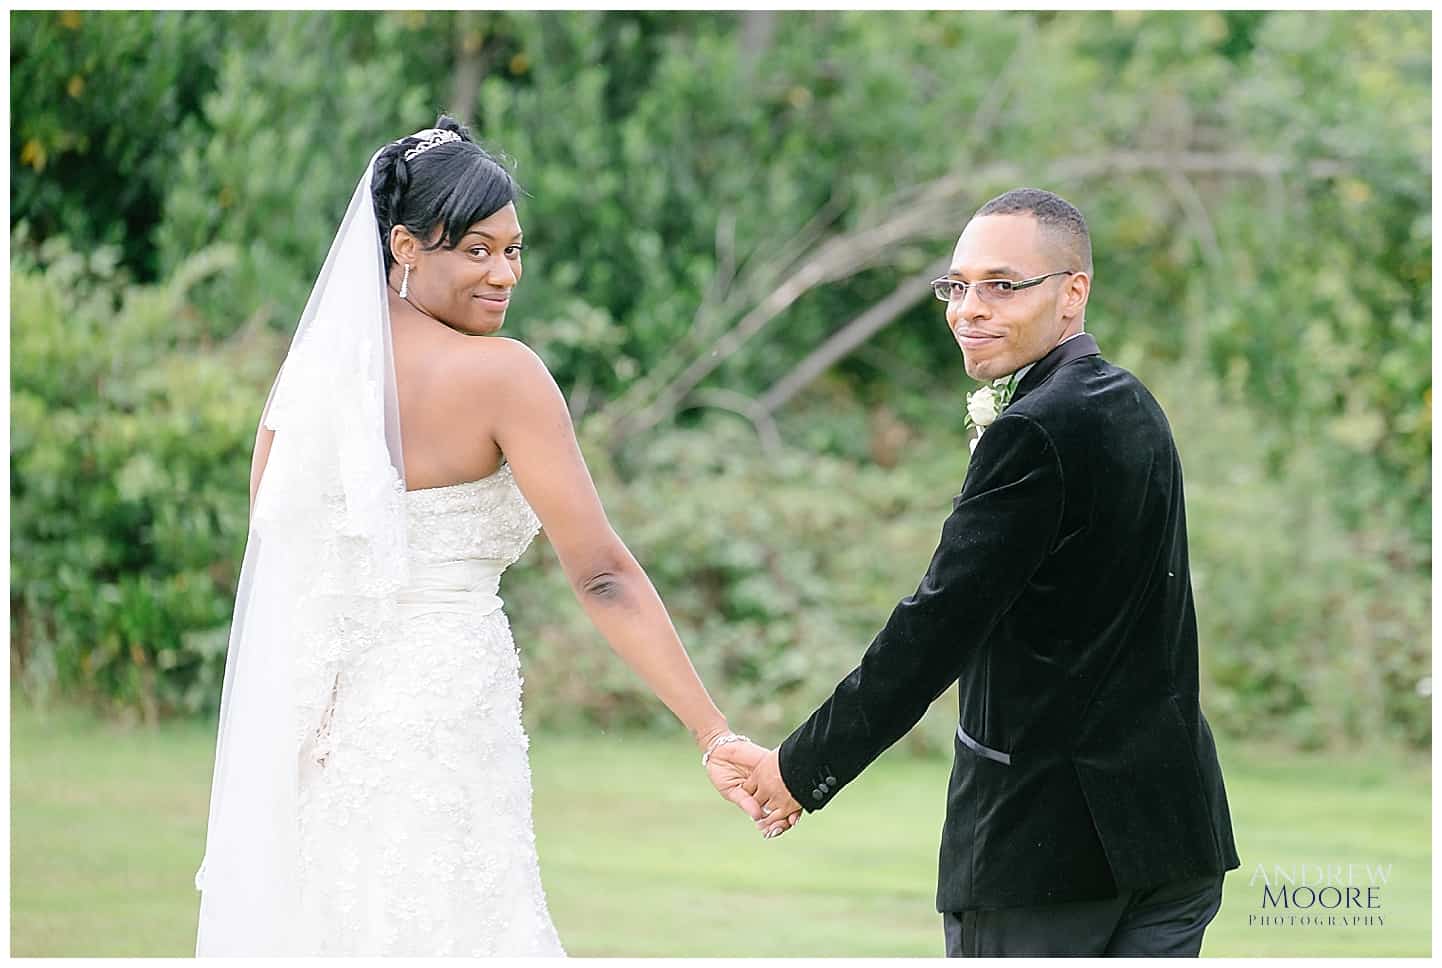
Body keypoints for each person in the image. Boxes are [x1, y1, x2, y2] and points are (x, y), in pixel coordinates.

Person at [194, 116, 768, 956]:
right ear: (403, 247)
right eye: (475, 250)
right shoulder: (503, 375)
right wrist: (712, 732)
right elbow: (602, 573)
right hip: (442, 714)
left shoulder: (312, 374)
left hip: (322, 730)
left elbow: (275, 552)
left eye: (513, 249)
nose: (504, 274)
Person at [722, 188, 1240, 956]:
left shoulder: (1033, 428)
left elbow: (935, 629)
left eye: (1001, 285)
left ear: (1074, 292)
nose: (969, 308)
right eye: (956, 286)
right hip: (1174, 833)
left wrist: (800, 768)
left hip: (1049, 852)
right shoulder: (1131, 403)